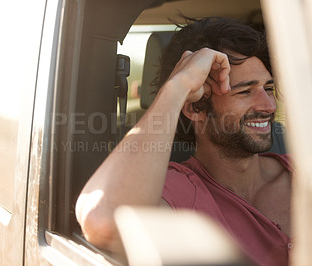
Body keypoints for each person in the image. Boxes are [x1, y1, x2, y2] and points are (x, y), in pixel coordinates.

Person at [76, 17, 292, 266]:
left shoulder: (308, 174)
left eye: (269, 88)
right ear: (195, 107)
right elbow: (103, 221)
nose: (269, 105)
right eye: (245, 91)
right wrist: (178, 86)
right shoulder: (178, 190)